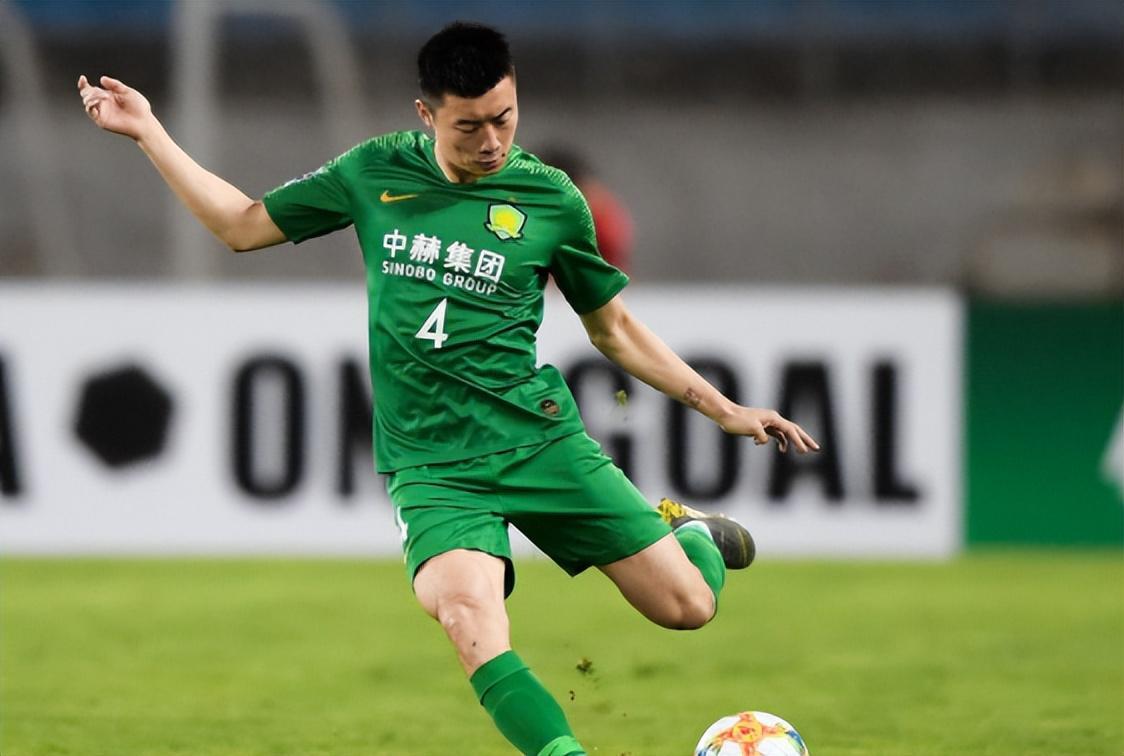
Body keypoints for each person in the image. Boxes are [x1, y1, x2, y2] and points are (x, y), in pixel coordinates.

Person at [78, 22, 819, 756]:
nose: (492, 141)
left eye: (504, 118)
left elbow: (614, 329)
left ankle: (692, 536)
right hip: (432, 466)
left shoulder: (551, 200)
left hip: (536, 440)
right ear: (426, 114)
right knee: (469, 618)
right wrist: (149, 132)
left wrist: (725, 409)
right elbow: (240, 226)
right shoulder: (374, 172)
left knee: (688, 606)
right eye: (469, 126)